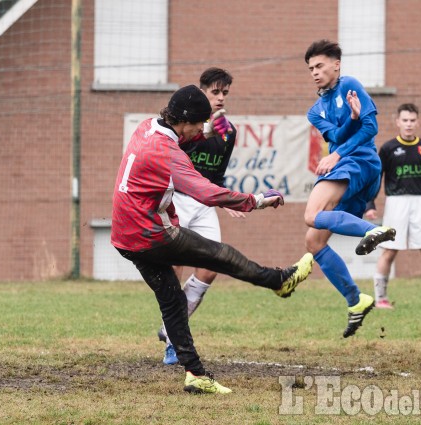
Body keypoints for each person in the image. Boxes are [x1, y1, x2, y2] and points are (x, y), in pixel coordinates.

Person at [111, 84, 314, 394]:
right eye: (198, 124)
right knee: (220, 255)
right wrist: (255, 200)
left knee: (172, 301)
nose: (200, 130)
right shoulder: (167, 152)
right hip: (151, 233)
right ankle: (279, 281)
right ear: (186, 121)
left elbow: (177, 145)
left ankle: (195, 375)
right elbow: (206, 191)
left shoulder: (146, 128)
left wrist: (203, 134)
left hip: (125, 237)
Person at [303, 39, 396, 338]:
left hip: (361, 162)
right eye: (311, 68)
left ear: (336, 64)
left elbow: (372, 129)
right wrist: (352, 119)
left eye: (319, 66)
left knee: (311, 214)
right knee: (314, 241)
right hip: (354, 171)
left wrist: (337, 153)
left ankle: (371, 230)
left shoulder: (350, 85)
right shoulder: (315, 111)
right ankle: (357, 301)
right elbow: (338, 136)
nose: (315, 72)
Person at [156, 68, 243, 366]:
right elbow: (174, 150)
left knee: (211, 266)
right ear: (202, 92)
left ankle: (169, 328)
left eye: (225, 93)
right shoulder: (184, 124)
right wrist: (206, 130)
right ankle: (174, 341)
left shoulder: (229, 132)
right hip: (177, 200)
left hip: (203, 203)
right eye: (215, 92)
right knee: (175, 267)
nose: (220, 98)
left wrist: (224, 199)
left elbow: (217, 173)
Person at [364, 103, 421, 309]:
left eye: (412, 120)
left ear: (417, 122)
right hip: (396, 204)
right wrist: (370, 203)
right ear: (398, 122)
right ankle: (381, 299)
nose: (409, 124)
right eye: (405, 120)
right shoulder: (388, 148)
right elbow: (376, 178)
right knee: (389, 252)